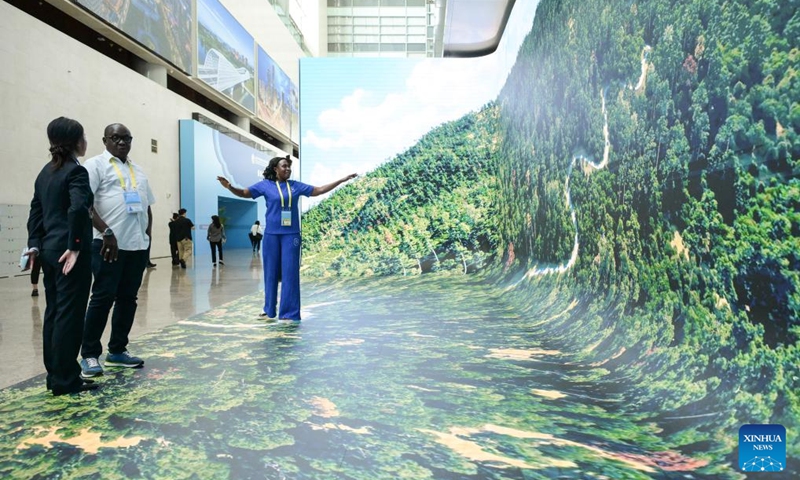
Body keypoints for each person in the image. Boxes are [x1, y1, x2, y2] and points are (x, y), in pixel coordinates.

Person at [217, 155, 356, 320]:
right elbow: (245, 193)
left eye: (289, 167)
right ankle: (269, 310)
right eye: (284, 166)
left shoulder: (296, 186)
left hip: (291, 236)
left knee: (290, 274)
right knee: (270, 273)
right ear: (275, 169)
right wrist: (230, 187)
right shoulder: (265, 186)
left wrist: (341, 180)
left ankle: (289, 313)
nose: (288, 169)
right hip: (271, 236)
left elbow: (318, 190)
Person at [25, 116, 97, 395]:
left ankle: (56, 375)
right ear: (76, 141)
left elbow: (36, 211)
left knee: (54, 313)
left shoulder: (45, 172)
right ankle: (67, 380)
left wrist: (34, 245)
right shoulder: (75, 171)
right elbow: (78, 209)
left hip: (48, 250)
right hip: (69, 253)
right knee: (70, 315)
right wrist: (76, 245)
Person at [80, 123, 155, 378]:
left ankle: (117, 351)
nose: (122, 142)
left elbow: (147, 206)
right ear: (105, 140)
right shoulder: (95, 165)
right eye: (116, 138)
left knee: (128, 299)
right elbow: (85, 204)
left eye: (126, 138)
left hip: (136, 245)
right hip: (107, 245)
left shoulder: (139, 170)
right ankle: (89, 354)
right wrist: (106, 232)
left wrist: (148, 236)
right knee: (102, 298)